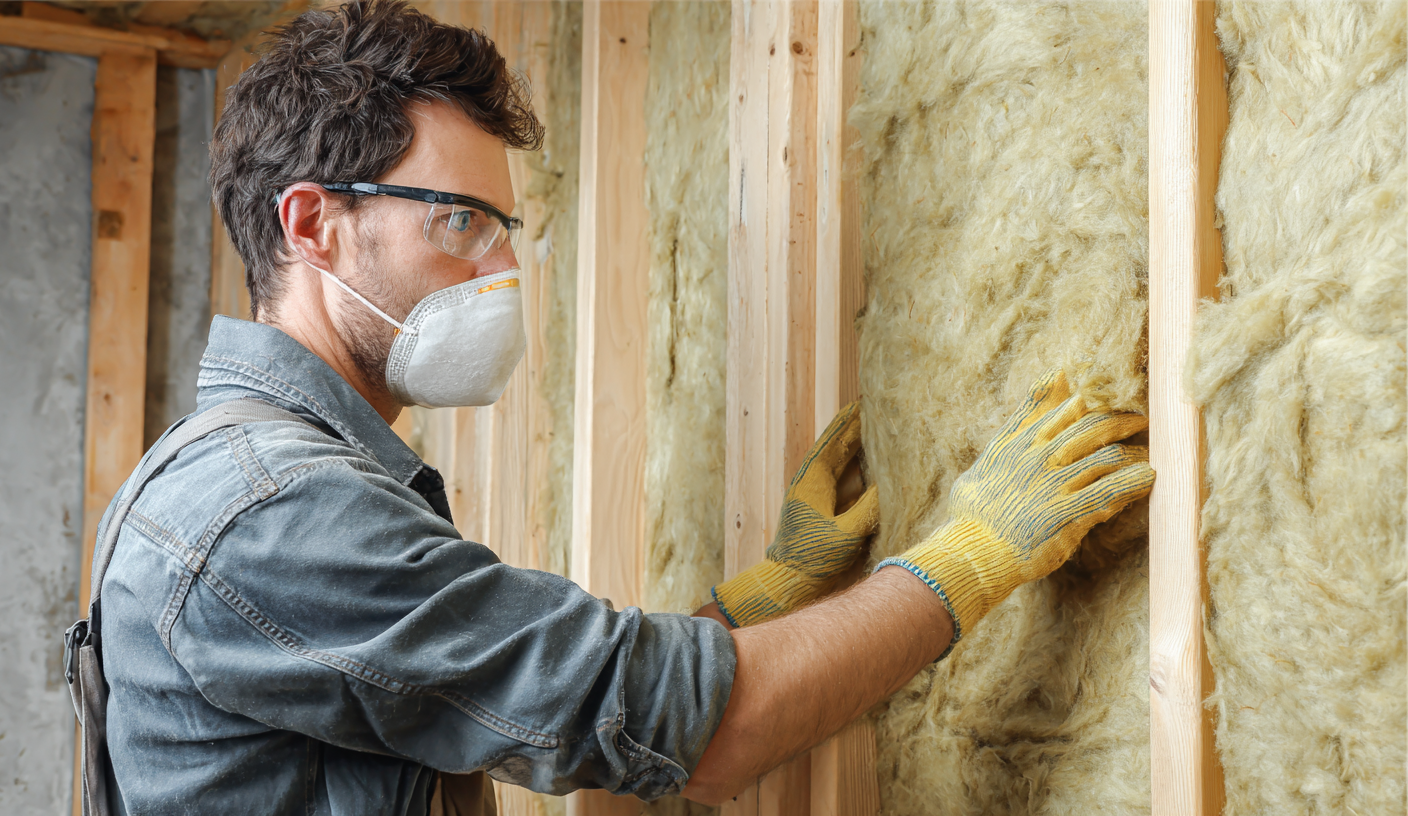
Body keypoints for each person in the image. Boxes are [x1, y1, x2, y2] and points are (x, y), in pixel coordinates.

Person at [91, 2, 1155, 813]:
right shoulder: (271, 511)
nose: (503, 266)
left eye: (503, 225)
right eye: (459, 220)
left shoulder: (235, 478)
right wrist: (971, 557)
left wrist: (764, 595)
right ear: (316, 225)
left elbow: (540, 696)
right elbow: (701, 728)